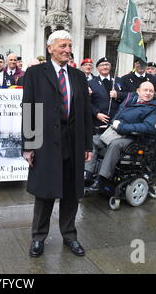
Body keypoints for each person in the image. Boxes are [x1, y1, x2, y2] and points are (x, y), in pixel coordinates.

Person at [22, 30, 93, 258]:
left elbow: (84, 113)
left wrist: (87, 145)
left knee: (71, 192)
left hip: (73, 142)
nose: (67, 50)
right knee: (45, 192)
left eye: (69, 46)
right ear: (50, 48)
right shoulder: (34, 74)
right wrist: (29, 145)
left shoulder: (79, 76)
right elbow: (30, 109)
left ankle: (70, 236)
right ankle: (38, 238)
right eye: (62, 45)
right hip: (45, 143)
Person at [87, 81, 156, 192]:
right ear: (138, 91)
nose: (148, 93)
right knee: (93, 140)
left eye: (151, 91)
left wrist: (122, 127)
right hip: (117, 133)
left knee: (115, 145)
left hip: (134, 138)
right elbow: (118, 116)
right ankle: (87, 174)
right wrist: (110, 125)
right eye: (145, 90)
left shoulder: (154, 109)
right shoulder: (130, 100)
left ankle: (101, 179)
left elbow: (149, 127)